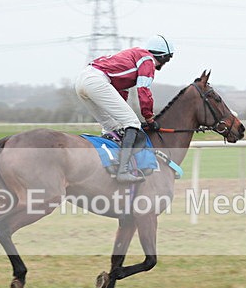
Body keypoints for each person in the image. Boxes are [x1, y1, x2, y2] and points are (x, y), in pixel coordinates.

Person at [75, 35, 174, 182]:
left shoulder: (133, 55)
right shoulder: (147, 60)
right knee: (132, 123)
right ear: (163, 56)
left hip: (82, 81)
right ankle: (123, 171)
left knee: (111, 127)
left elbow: (120, 92)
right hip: (96, 81)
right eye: (168, 59)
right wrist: (149, 117)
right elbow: (143, 90)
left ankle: (109, 164)